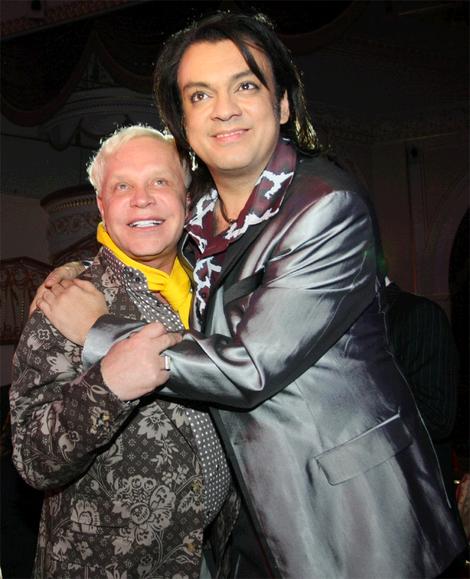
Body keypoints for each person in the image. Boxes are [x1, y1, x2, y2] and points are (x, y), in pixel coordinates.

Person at [32, 12, 467, 579]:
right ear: (183, 122)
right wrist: (78, 271)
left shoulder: (325, 205)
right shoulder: (202, 220)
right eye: (200, 95)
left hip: (352, 520)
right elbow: (141, 233)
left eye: (245, 86)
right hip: (247, 525)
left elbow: (251, 368)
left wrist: (98, 329)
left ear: (282, 104)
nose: (224, 109)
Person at [9, 126, 240, 579]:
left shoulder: (215, 287)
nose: (142, 199)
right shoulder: (65, 303)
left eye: (160, 181)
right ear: (101, 205)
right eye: (122, 186)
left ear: (186, 199)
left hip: (215, 555)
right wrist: (106, 386)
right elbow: (32, 461)